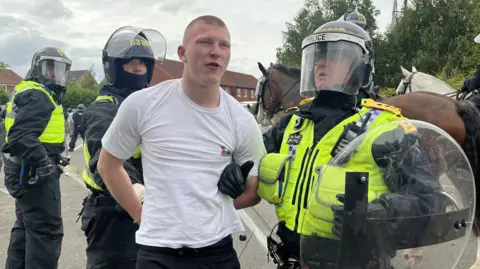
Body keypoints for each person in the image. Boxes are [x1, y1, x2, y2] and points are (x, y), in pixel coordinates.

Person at [258, 20, 444, 268]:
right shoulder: (292, 121)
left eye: (335, 56)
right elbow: (250, 155)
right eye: (318, 57)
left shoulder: (386, 127)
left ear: (361, 68)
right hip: (290, 260)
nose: (321, 63)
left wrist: (380, 214)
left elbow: (430, 200)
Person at [97, 15, 266, 269]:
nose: (215, 52)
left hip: (216, 252)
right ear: (182, 53)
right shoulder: (142, 105)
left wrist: (220, 201)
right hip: (157, 252)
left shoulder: (242, 120)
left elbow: (254, 191)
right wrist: (140, 215)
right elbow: (108, 166)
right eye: (205, 42)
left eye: (224, 45)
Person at [78, 25, 165, 269]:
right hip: (114, 216)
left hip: (152, 211)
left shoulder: (151, 106)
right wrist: (135, 187)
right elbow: (104, 156)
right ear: (114, 66)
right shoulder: (104, 109)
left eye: (143, 63)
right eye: (130, 62)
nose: (138, 68)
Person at [3, 47, 71, 269]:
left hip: (23, 171)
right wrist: (43, 163)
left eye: (60, 70)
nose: (55, 75)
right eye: (50, 69)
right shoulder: (39, 94)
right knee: (46, 233)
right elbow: (21, 135)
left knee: (25, 229)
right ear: (36, 68)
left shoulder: (25, 91)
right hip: (35, 174)